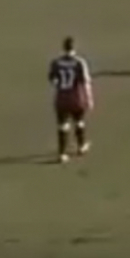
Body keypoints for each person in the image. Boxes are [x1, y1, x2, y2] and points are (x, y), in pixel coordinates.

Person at [48, 36, 94, 164]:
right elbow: (85, 82)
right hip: (76, 97)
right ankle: (81, 146)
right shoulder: (79, 62)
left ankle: (62, 154)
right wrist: (89, 98)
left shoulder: (56, 63)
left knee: (62, 125)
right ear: (74, 48)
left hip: (61, 97)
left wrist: (60, 85)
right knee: (79, 121)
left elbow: (52, 80)